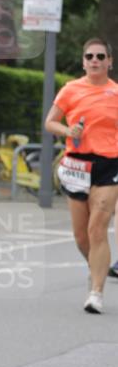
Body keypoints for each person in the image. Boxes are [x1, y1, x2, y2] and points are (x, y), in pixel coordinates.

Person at [44, 37, 118, 313]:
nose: (95, 61)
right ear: (83, 61)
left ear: (110, 62)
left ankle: (96, 292)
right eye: (90, 57)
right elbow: (50, 122)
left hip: (109, 164)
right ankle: (95, 268)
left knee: (97, 228)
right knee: (81, 237)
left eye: (100, 56)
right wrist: (68, 131)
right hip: (76, 165)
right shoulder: (70, 90)